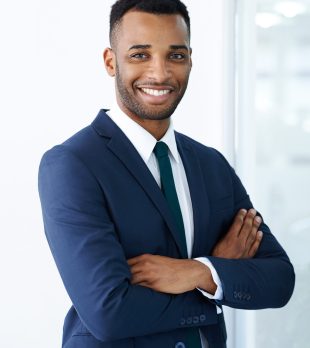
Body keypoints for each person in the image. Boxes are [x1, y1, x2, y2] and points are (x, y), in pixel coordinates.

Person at [38, 1, 295, 347]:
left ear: (190, 59)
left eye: (175, 56)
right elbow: (109, 312)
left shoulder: (210, 165)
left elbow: (279, 279)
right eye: (140, 55)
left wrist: (199, 271)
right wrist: (215, 285)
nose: (159, 73)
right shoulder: (72, 165)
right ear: (110, 62)